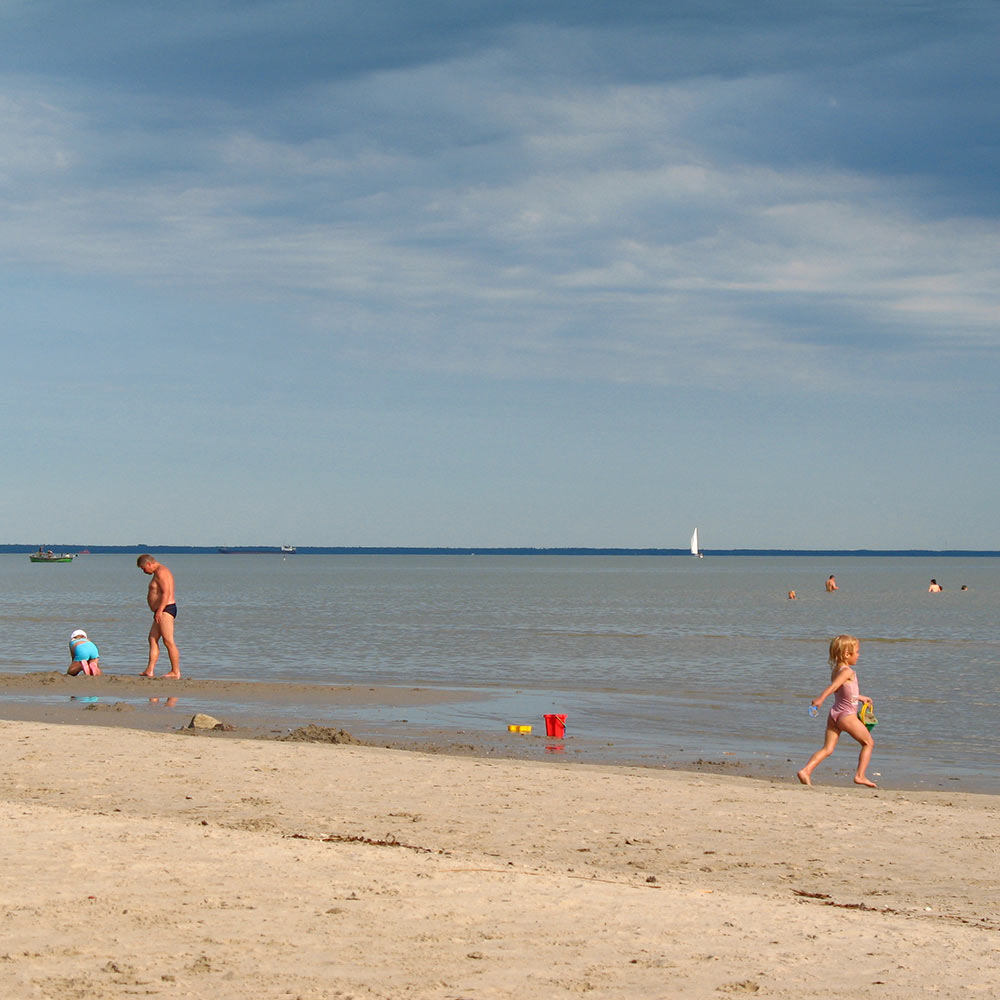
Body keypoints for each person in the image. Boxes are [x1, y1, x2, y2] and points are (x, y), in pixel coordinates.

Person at [797, 634, 876, 788]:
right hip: (847, 716)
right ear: (847, 654)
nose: (859, 655)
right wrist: (820, 699)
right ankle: (860, 776)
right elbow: (833, 687)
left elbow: (843, 691)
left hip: (834, 715)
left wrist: (860, 697)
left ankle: (806, 771)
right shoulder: (847, 671)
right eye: (857, 652)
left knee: (828, 749)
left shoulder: (836, 670)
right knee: (868, 743)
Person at [137, 554, 181, 678]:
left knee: (168, 641)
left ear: (149, 564)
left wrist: (160, 610)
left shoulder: (161, 572)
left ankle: (175, 671)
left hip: (165, 609)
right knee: (152, 638)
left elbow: (166, 592)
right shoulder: (158, 572)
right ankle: (149, 670)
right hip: (161, 610)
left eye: (143, 568)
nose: (144, 571)